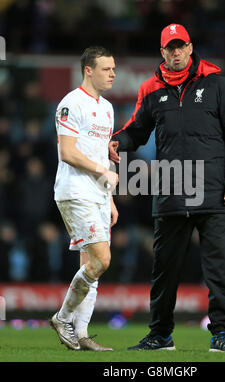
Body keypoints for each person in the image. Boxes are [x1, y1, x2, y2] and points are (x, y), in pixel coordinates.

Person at [109, 24, 225, 352]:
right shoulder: (151, 89)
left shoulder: (219, 85)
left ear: (190, 47)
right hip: (171, 191)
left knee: (218, 267)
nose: (175, 52)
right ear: (162, 52)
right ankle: (160, 335)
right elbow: (137, 130)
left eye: (180, 46)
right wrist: (120, 141)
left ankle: (221, 334)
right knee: (163, 268)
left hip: (214, 189)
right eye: (169, 48)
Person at [49, 46, 119, 351]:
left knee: (92, 265)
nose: (113, 74)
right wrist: (103, 170)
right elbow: (68, 152)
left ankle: (81, 334)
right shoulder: (71, 103)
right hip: (75, 192)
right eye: (106, 69)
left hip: (98, 195)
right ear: (88, 70)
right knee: (101, 259)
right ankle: (61, 318)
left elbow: (100, 152)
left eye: (114, 68)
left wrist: (110, 198)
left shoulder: (107, 108)